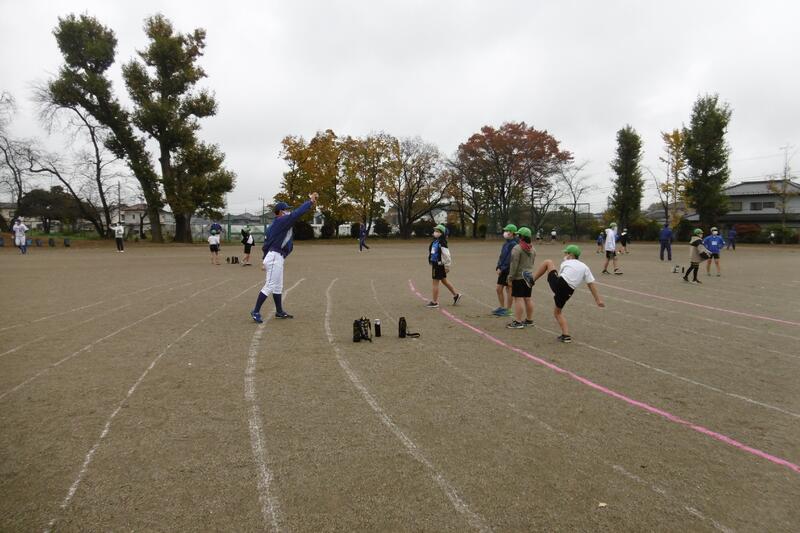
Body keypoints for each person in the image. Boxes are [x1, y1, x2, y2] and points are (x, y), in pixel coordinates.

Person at [250, 193, 319, 323]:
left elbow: (266, 245)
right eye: (286, 209)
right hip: (275, 256)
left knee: (277, 286)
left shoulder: (274, 225)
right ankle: (256, 310)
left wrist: (263, 260)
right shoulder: (282, 221)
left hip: (275, 256)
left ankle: (279, 311)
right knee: (270, 285)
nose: (288, 211)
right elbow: (296, 214)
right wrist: (310, 202)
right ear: (280, 212)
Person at [531, 244, 605, 343]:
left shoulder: (566, 262)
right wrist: (598, 299)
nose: (565, 255)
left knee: (548, 262)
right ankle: (566, 335)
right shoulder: (585, 267)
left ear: (571, 254)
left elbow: (561, 277)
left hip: (561, 285)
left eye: (566, 253)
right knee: (557, 313)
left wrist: (556, 289)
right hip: (569, 292)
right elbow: (591, 284)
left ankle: (532, 281)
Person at [425, 224, 461, 309]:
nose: (435, 232)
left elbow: (447, 255)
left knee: (435, 283)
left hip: (439, 265)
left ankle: (434, 302)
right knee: (444, 281)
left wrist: (447, 266)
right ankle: (456, 295)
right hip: (435, 264)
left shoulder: (442, 243)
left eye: (438, 231)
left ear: (442, 233)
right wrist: (430, 260)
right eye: (435, 231)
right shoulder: (435, 242)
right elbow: (432, 252)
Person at [506, 227, 535, 329]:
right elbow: (532, 263)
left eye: (519, 235)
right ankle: (529, 319)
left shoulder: (517, 248)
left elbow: (514, 264)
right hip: (529, 276)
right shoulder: (532, 249)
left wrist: (510, 277)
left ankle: (518, 321)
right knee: (528, 298)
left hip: (519, 277)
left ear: (522, 237)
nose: (517, 236)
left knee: (518, 299)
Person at [493, 224, 518, 317]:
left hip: (508, 270)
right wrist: (498, 266)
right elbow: (501, 256)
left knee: (509, 289)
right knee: (499, 289)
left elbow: (509, 258)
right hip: (502, 269)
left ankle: (508, 309)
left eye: (507, 231)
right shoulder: (505, 243)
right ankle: (502, 307)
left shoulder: (514, 244)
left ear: (512, 233)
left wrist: (502, 268)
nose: (505, 233)